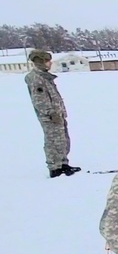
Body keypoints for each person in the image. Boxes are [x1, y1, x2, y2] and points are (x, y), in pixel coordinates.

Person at [24, 49, 80, 178]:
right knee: (53, 141)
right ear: (41, 62)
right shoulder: (36, 79)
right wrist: (50, 113)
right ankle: (55, 167)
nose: (50, 63)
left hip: (57, 115)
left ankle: (63, 164)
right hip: (50, 117)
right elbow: (40, 100)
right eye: (48, 61)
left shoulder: (45, 77)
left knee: (62, 140)